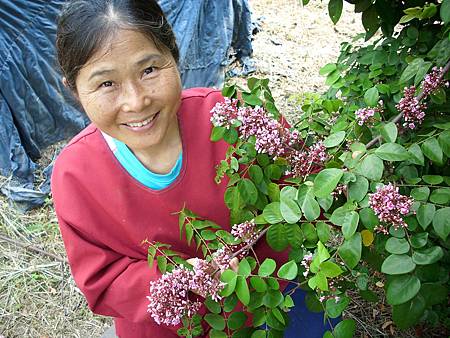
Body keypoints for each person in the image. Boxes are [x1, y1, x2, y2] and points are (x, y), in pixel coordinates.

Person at [52, 1, 335, 337]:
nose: (136, 101)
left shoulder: (233, 118)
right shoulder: (75, 175)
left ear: (175, 55)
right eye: (106, 84)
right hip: (169, 325)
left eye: (149, 70)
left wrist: (251, 260)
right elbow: (103, 277)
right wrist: (179, 280)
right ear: (74, 88)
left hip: (271, 295)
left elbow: (305, 189)